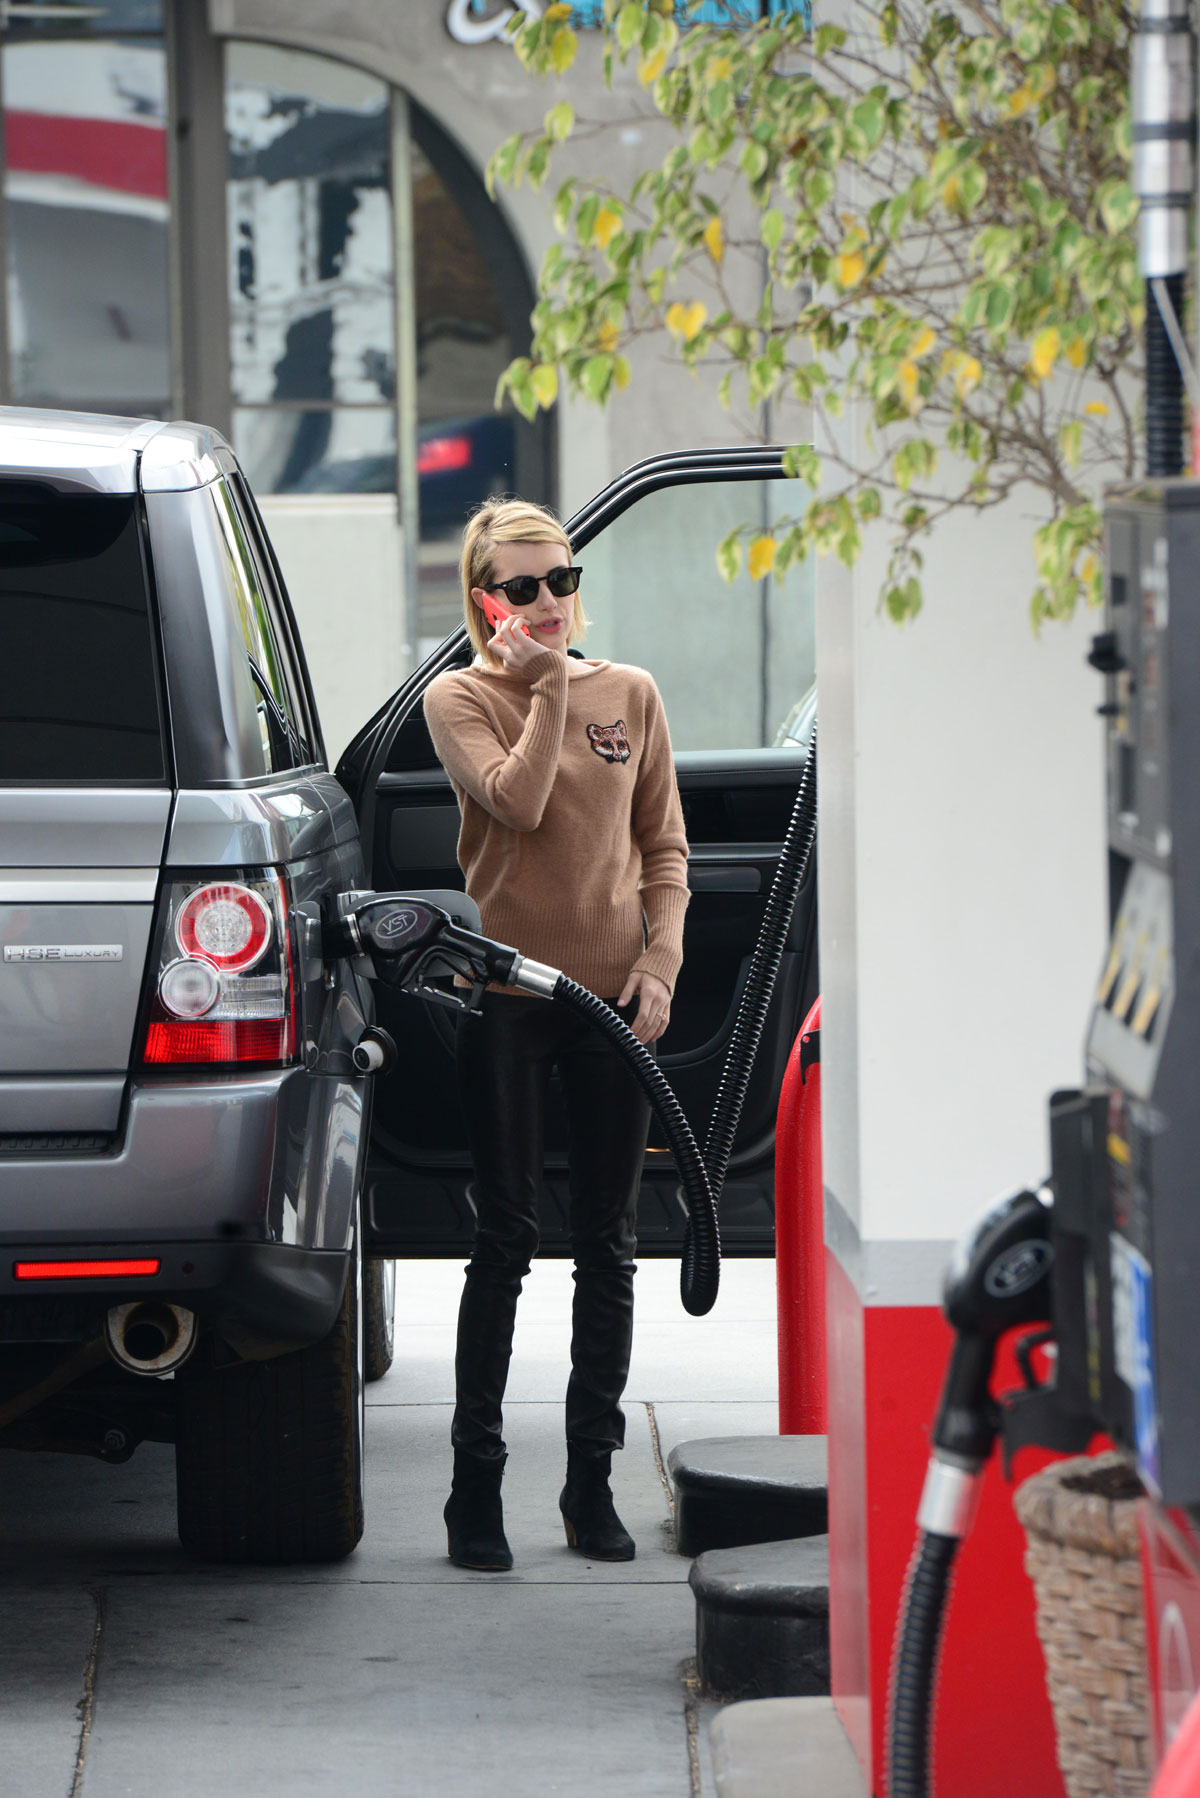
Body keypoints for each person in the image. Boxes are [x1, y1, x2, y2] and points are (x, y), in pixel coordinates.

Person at [422, 496, 689, 1571]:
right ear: (485, 597)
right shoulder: (461, 696)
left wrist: (659, 969)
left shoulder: (632, 693)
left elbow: (664, 849)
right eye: (522, 586)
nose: (547, 603)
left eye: (561, 581)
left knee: (611, 1243)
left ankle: (592, 1483)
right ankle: (472, 1486)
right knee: (506, 1237)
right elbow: (519, 805)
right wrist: (538, 688)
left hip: (613, 1007)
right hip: (513, 1003)